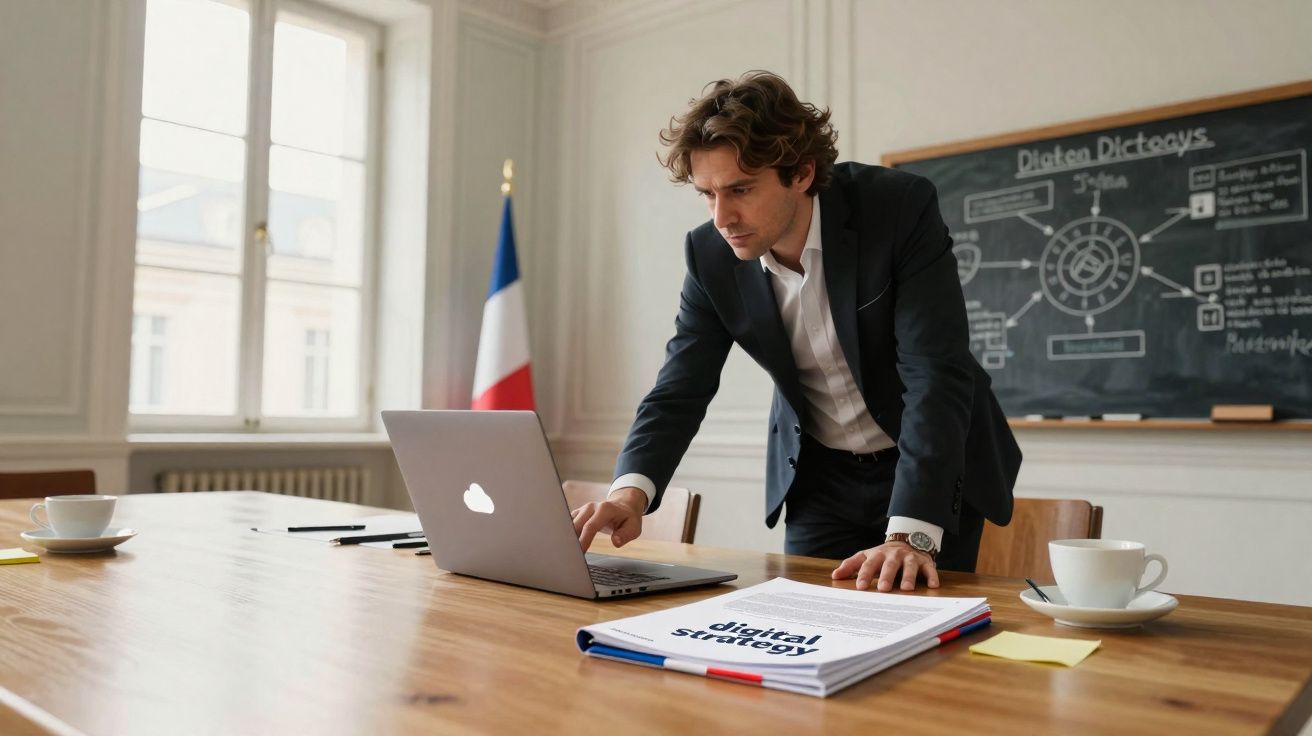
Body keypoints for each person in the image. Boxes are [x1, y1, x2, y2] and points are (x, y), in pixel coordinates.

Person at [571, 70, 1021, 592]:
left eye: (740, 189)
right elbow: (680, 387)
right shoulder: (710, 255)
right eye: (707, 194)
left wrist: (911, 536)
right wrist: (630, 493)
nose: (722, 217)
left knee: (932, 634)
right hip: (820, 477)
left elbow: (934, 374)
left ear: (802, 173)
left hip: (930, 465)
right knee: (804, 625)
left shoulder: (897, 209)